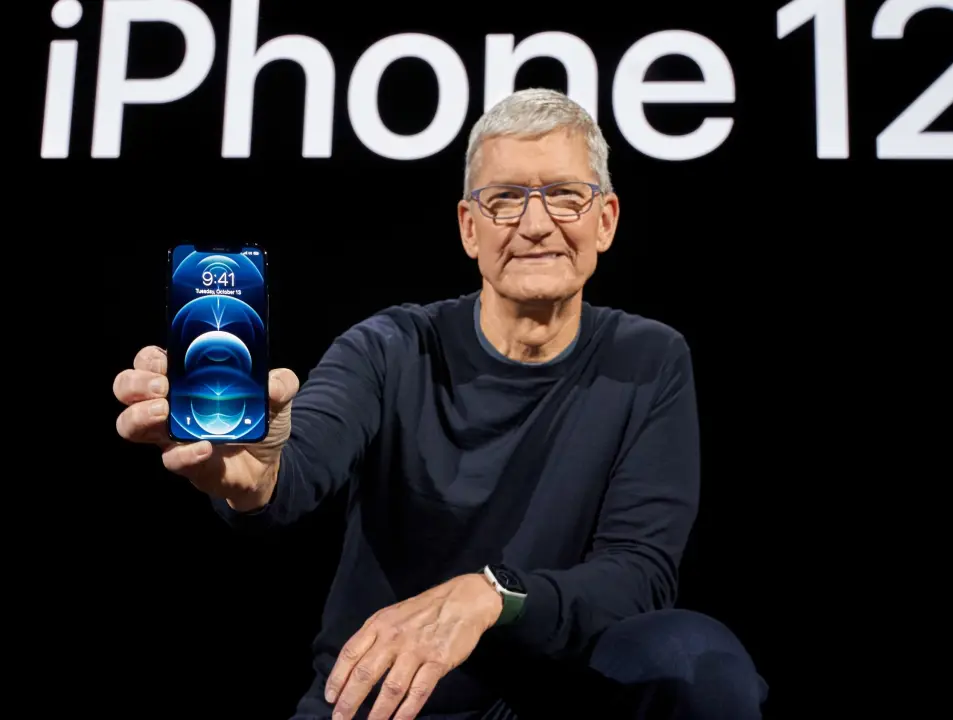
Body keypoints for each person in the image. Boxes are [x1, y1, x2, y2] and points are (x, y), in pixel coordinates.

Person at [113, 88, 767, 720]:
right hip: (389, 698)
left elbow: (638, 575)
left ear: (606, 220)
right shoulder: (391, 346)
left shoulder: (648, 358)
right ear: (468, 228)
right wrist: (255, 474)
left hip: (555, 699)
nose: (536, 224)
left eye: (566, 196)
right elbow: (298, 463)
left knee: (693, 656)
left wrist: (491, 594)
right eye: (504, 199)